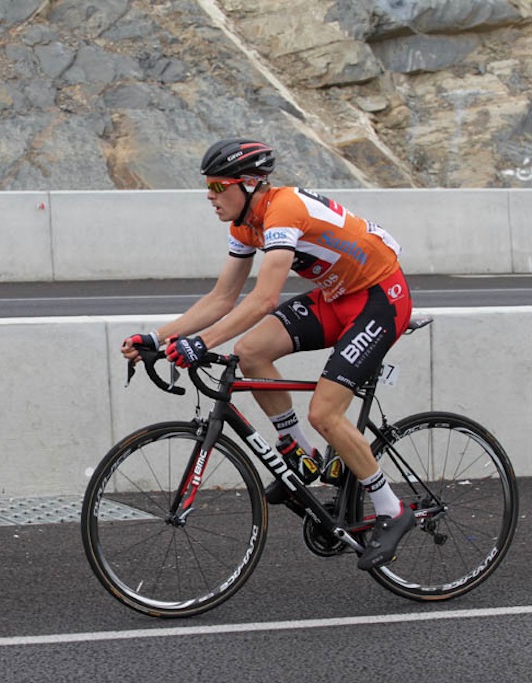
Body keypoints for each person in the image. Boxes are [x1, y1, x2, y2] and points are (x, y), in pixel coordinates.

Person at [121, 138, 415, 570]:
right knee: (251, 352)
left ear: (249, 184)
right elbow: (223, 298)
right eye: (208, 187)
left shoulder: (283, 211)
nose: (209, 196)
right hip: (336, 297)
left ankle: (392, 509)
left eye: (218, 187)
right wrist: (157, 338)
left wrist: (201, 344)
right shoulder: (244, 225)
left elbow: (263, 300)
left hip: (379, 299)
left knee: (326, 414)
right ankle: (300, 454)